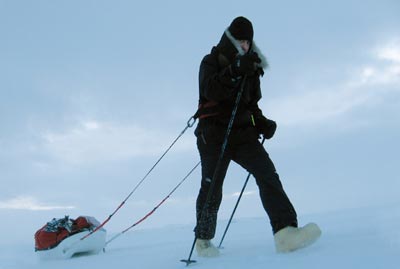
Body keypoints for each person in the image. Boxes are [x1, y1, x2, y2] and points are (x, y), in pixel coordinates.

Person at [193, 16, 321, 257]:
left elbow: (251, 106)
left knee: (267, 174)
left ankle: (285, 233)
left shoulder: (252, 67)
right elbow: (210, 89)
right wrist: (233, 71)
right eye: (240, 41)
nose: (244, 46)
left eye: (247, 42)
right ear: (229, 39)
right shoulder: (211, 61)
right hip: (213, 135)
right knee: (212, 188)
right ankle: (203, 240)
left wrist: (262, 124)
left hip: (242, 135)